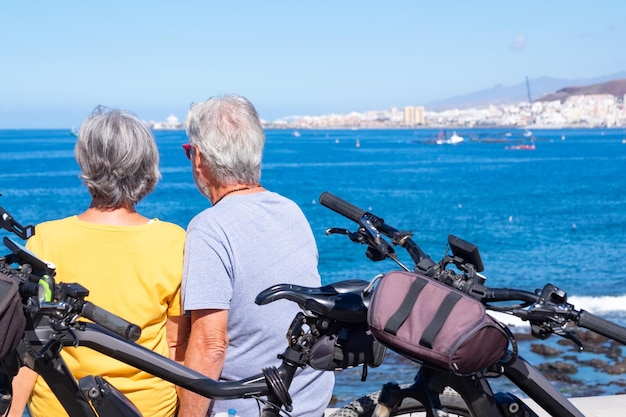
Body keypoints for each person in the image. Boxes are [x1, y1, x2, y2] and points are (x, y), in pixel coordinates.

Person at [6, 106, 188, 417]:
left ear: (87, 163)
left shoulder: (46, 240)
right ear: (147, 167)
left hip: (61, 408)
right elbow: (176, 347)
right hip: (148, 409)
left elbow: (27, 352)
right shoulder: (173, 241)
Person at [178, 94, 334, 417]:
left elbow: (210, 346)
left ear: (199, 159)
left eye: (189, 150)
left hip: (255, 408)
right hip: (310, 401)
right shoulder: (291, 211)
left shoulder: (208, 228)